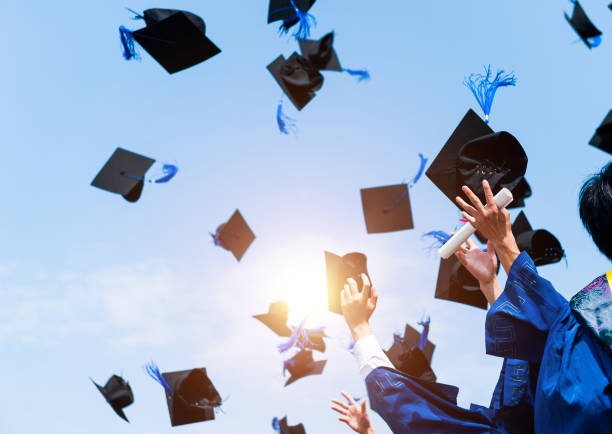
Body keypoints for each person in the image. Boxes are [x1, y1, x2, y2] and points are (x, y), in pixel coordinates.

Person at [455, 169, 612, 433]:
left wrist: (503, 246)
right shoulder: (586, 322)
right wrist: (498, 263)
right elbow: (545, 339)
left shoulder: (584, 321)